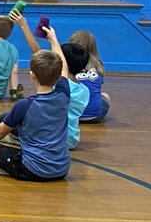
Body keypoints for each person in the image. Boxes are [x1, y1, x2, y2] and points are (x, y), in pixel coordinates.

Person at [0, 48, 71, 181]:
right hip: (62, 169)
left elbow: (1, 130)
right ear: (59, 76)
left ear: (32, 75)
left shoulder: (24, 105)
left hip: (32, 170)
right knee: (4, 117)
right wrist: (53, 39)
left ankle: (4, 165)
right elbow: (64, 67)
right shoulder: (64, 94)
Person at [9, 13, 90, 149]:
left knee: (7, 119)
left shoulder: (57, 84)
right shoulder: (84, 91)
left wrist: (23, 25)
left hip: (52, 138)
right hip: (71, 140)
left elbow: (36, 51)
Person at [69, 29, 110, 123]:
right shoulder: (98, 66)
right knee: (105, 96)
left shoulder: (66, 66)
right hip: (94, 116)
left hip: (70, 115)